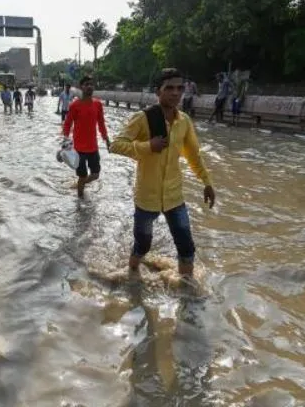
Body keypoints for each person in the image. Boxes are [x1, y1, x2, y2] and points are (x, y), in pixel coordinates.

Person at [110, 68, 215, 278]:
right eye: (169, 88)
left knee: (186, 248)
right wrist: (148, 146)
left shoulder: (184, 121)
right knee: (142, 245)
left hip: (174, 197)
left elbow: (194, 155)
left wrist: (207, 182)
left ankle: (187, 292)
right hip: (146, 198)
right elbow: (116, 145)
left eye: (179, 88)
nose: (175, 93)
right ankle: (132, 277)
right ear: (158, 92)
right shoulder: (143, 118)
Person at [62, 75, 110, 198]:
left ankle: (78, 185)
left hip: (93, 147)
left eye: (91, 84)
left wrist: (107, 139)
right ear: (81, 87)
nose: (89, 86)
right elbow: (67, 123)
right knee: (82, 176)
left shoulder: (98, 104)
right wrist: (65, 139)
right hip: (79, 149)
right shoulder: (74, 105)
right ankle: (79, 203)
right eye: (86, 84)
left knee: (95, 174)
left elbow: (101, 124)